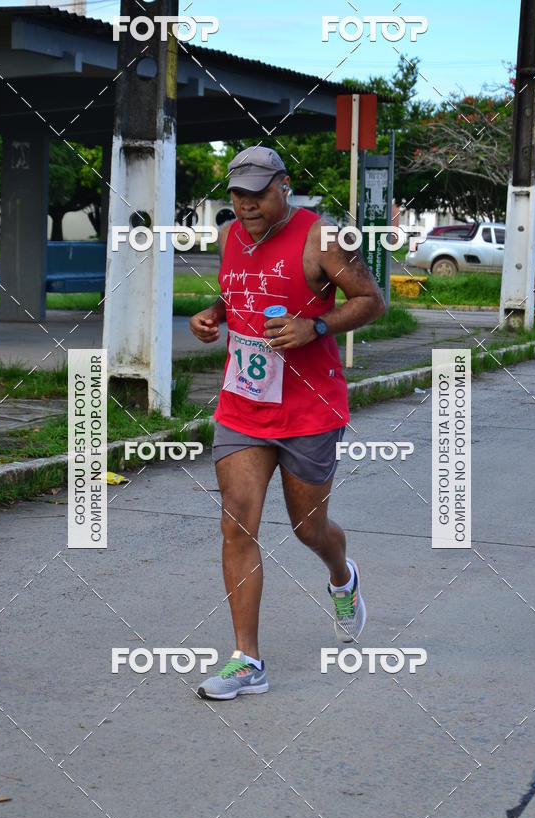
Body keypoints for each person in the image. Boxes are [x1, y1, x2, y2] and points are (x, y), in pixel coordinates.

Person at [189, 147, 385, 700]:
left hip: (308, 410)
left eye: (257, 192)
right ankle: (246, 660)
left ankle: (343, 578)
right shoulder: (231, 236)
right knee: (236, 523)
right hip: (243, 404)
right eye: (237, 193)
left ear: (285, 185)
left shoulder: (323, 238)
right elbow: (239, 296)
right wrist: (214, 317)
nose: (246, 204)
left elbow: (373, 301)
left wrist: (316, 327)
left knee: (308, 529)